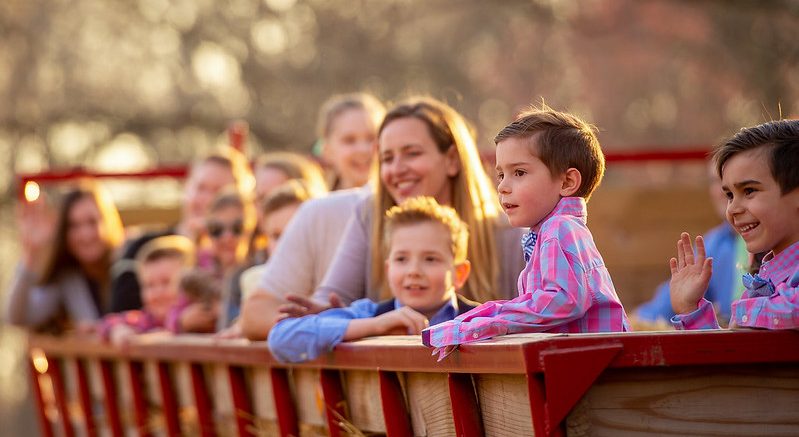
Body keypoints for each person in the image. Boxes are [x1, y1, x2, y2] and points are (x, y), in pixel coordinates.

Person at [422, 106, 631, 355]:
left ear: (567, 182)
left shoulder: (559, 229)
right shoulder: (551, 232)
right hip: (584, 365)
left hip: (595, 368)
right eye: (501, 175)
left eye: (519, 172)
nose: (502, 187)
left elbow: (562, 301)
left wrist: (492, 323)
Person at [268, 197, 477, 363]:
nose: (414, 271)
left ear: (459, 274)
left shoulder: (479, 319)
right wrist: (374, 326)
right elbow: (281, 337)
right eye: (401, 259)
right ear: (388, 269)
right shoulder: (369, 314)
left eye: (430, 259)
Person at [670, 119, 799, 330]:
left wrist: (741, 311)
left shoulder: (759, 303)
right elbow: (728, 357)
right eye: (729, 195)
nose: (733, 209)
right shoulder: (761, 283)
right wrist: (689, 309)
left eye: (749, 191)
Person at [109, 147, 254, 312]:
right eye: (201, 188)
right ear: (187, 188)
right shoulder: (143, 247)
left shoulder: (246, 260)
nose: (207, 200)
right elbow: (122, 312)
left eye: (218, 193)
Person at [634, 162, 748, 327]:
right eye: (715, 182)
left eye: (744, 186)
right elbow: (667, 303)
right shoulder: (715, 242)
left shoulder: (769, 242)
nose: (723, 191)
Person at [6, 181, 125, 333]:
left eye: (92, 222)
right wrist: (31, 254)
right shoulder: (67, 277)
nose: (85, 235)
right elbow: (17, 317)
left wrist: (103, 330)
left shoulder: (130, 263)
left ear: (109, 221)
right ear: (64, 233)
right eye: (74, 225)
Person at [99, 236, 194, 344]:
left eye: (166, 282)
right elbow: (109, 321)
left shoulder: (198, 314)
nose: (157, 293)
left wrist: (180, 324)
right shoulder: (146, 320)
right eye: (149, 285)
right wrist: (117, 329)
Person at [316, 93, 385, 190]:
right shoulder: (314, 204)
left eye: (372, 138)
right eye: (349, 140)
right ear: (327, 150)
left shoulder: (408, 203)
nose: (363, 150)